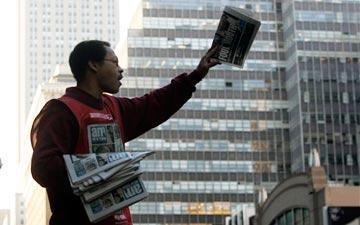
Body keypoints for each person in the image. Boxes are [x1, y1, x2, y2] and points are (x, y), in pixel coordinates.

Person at [31, 40, 220, 225]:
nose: (121, 70)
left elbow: (153, 104)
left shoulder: (114, 107)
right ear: (93, 65)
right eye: (114, 62)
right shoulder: (62, 111)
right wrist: (93, 173)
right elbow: (43, 168)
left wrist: (195, 76)